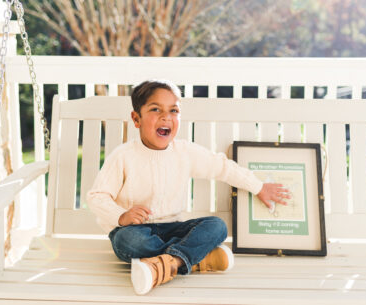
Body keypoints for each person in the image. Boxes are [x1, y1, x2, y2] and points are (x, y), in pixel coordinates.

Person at [86, 79, 290, 295]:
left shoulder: (184, 152)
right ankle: (195, 258)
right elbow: (97, 196)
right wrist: (121, 216)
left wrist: (258, 187)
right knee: (128, 241)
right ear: (136, 119)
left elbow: (222, 167)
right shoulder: (123, 156)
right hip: (136, 230)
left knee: (217, 226)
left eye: (173, 111)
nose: (166, 117)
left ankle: (166, 264)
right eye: (156, 109)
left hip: (174, 228)